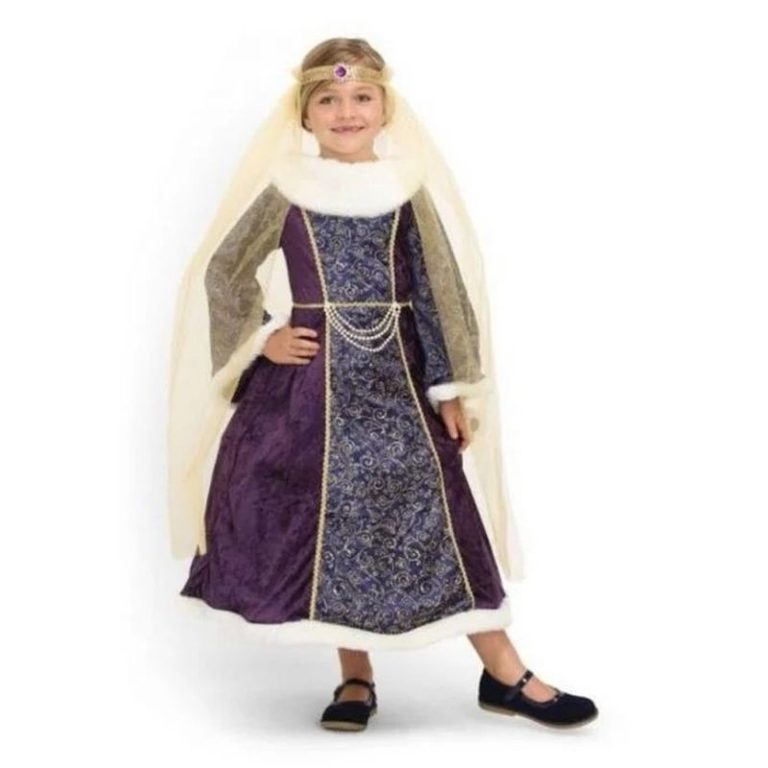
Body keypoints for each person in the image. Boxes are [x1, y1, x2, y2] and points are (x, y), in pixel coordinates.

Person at [167, 37, 598, 731]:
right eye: (328, 100)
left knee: (440, 510)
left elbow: (437, 290)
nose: (347, 112)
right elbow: (223, 273)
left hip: (398, 381)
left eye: (361, 97)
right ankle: (356, 676)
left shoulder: (404, 191)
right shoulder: (286, 191)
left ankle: (504, 673)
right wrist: (263, 339)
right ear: (304, 115)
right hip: (308, 392)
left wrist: (451, 388)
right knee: (330, 519)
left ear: (385, 108)